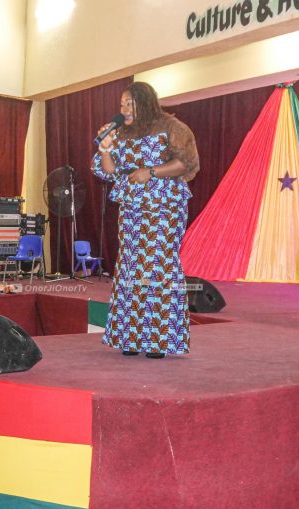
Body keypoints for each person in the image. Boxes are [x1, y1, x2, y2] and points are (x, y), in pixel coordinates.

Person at [91, 81, 199, 359]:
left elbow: (186, 164)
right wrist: (105, 149)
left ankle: (158, 339)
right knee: (130, 266)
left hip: (164, 205)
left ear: (146, 103)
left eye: (130, 104)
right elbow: (109, 172)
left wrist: (150, 172)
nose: (124, 109)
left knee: (157, 265)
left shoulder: (171, 127)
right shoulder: (121, 133)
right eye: (122, 104)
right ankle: (130, 336)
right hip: (133, 207)